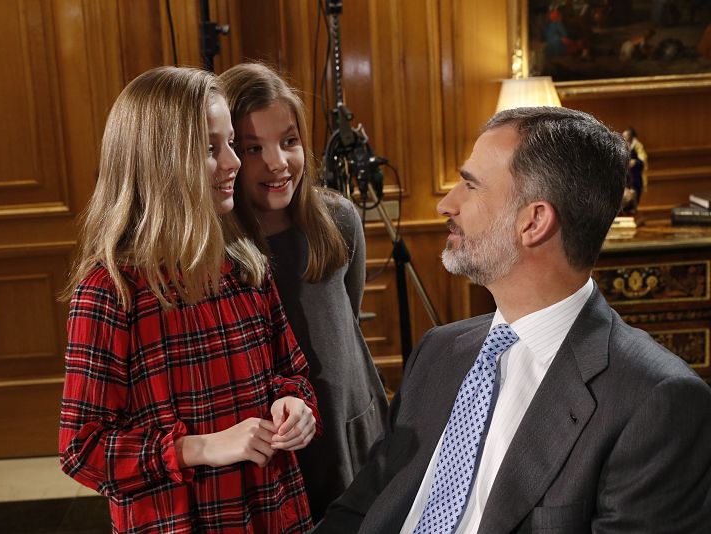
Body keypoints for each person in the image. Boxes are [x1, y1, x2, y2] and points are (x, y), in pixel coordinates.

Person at [314, 107, 711, 533]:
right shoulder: (438, 352)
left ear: (534, 221)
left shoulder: (655, 401)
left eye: (470, 186)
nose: (446, 204)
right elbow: (358, 511)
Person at [58, 66, 319, 534]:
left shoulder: (246, 263)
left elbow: (292, 373)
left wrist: (294, 406)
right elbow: (83, 451)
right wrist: (199, 447)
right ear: (158, 162)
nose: (234, 163)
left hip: (272, 511)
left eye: (231, 145)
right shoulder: (110, 291)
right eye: (209, 149)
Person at [219, 62, 389, 522]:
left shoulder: (338, 220)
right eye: (254, 148)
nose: (278, 162)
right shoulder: (221, 249)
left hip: (351, 422)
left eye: (289, 141)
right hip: (279, 438)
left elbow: (346, 320)